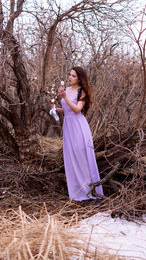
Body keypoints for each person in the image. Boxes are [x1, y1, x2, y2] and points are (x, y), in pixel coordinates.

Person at [56, 66, 104, 201]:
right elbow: (68, 110)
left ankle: (89, 189)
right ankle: (76, 189)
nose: (70, 78)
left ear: (79, 79)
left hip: (78, 126)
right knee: (71, 156)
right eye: (70, 75)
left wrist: (65, 98)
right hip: (68, 126)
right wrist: (57, 109)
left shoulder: (81, 92)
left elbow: (77, 109)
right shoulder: (66, 90)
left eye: (74, 76)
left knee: (81, 155)